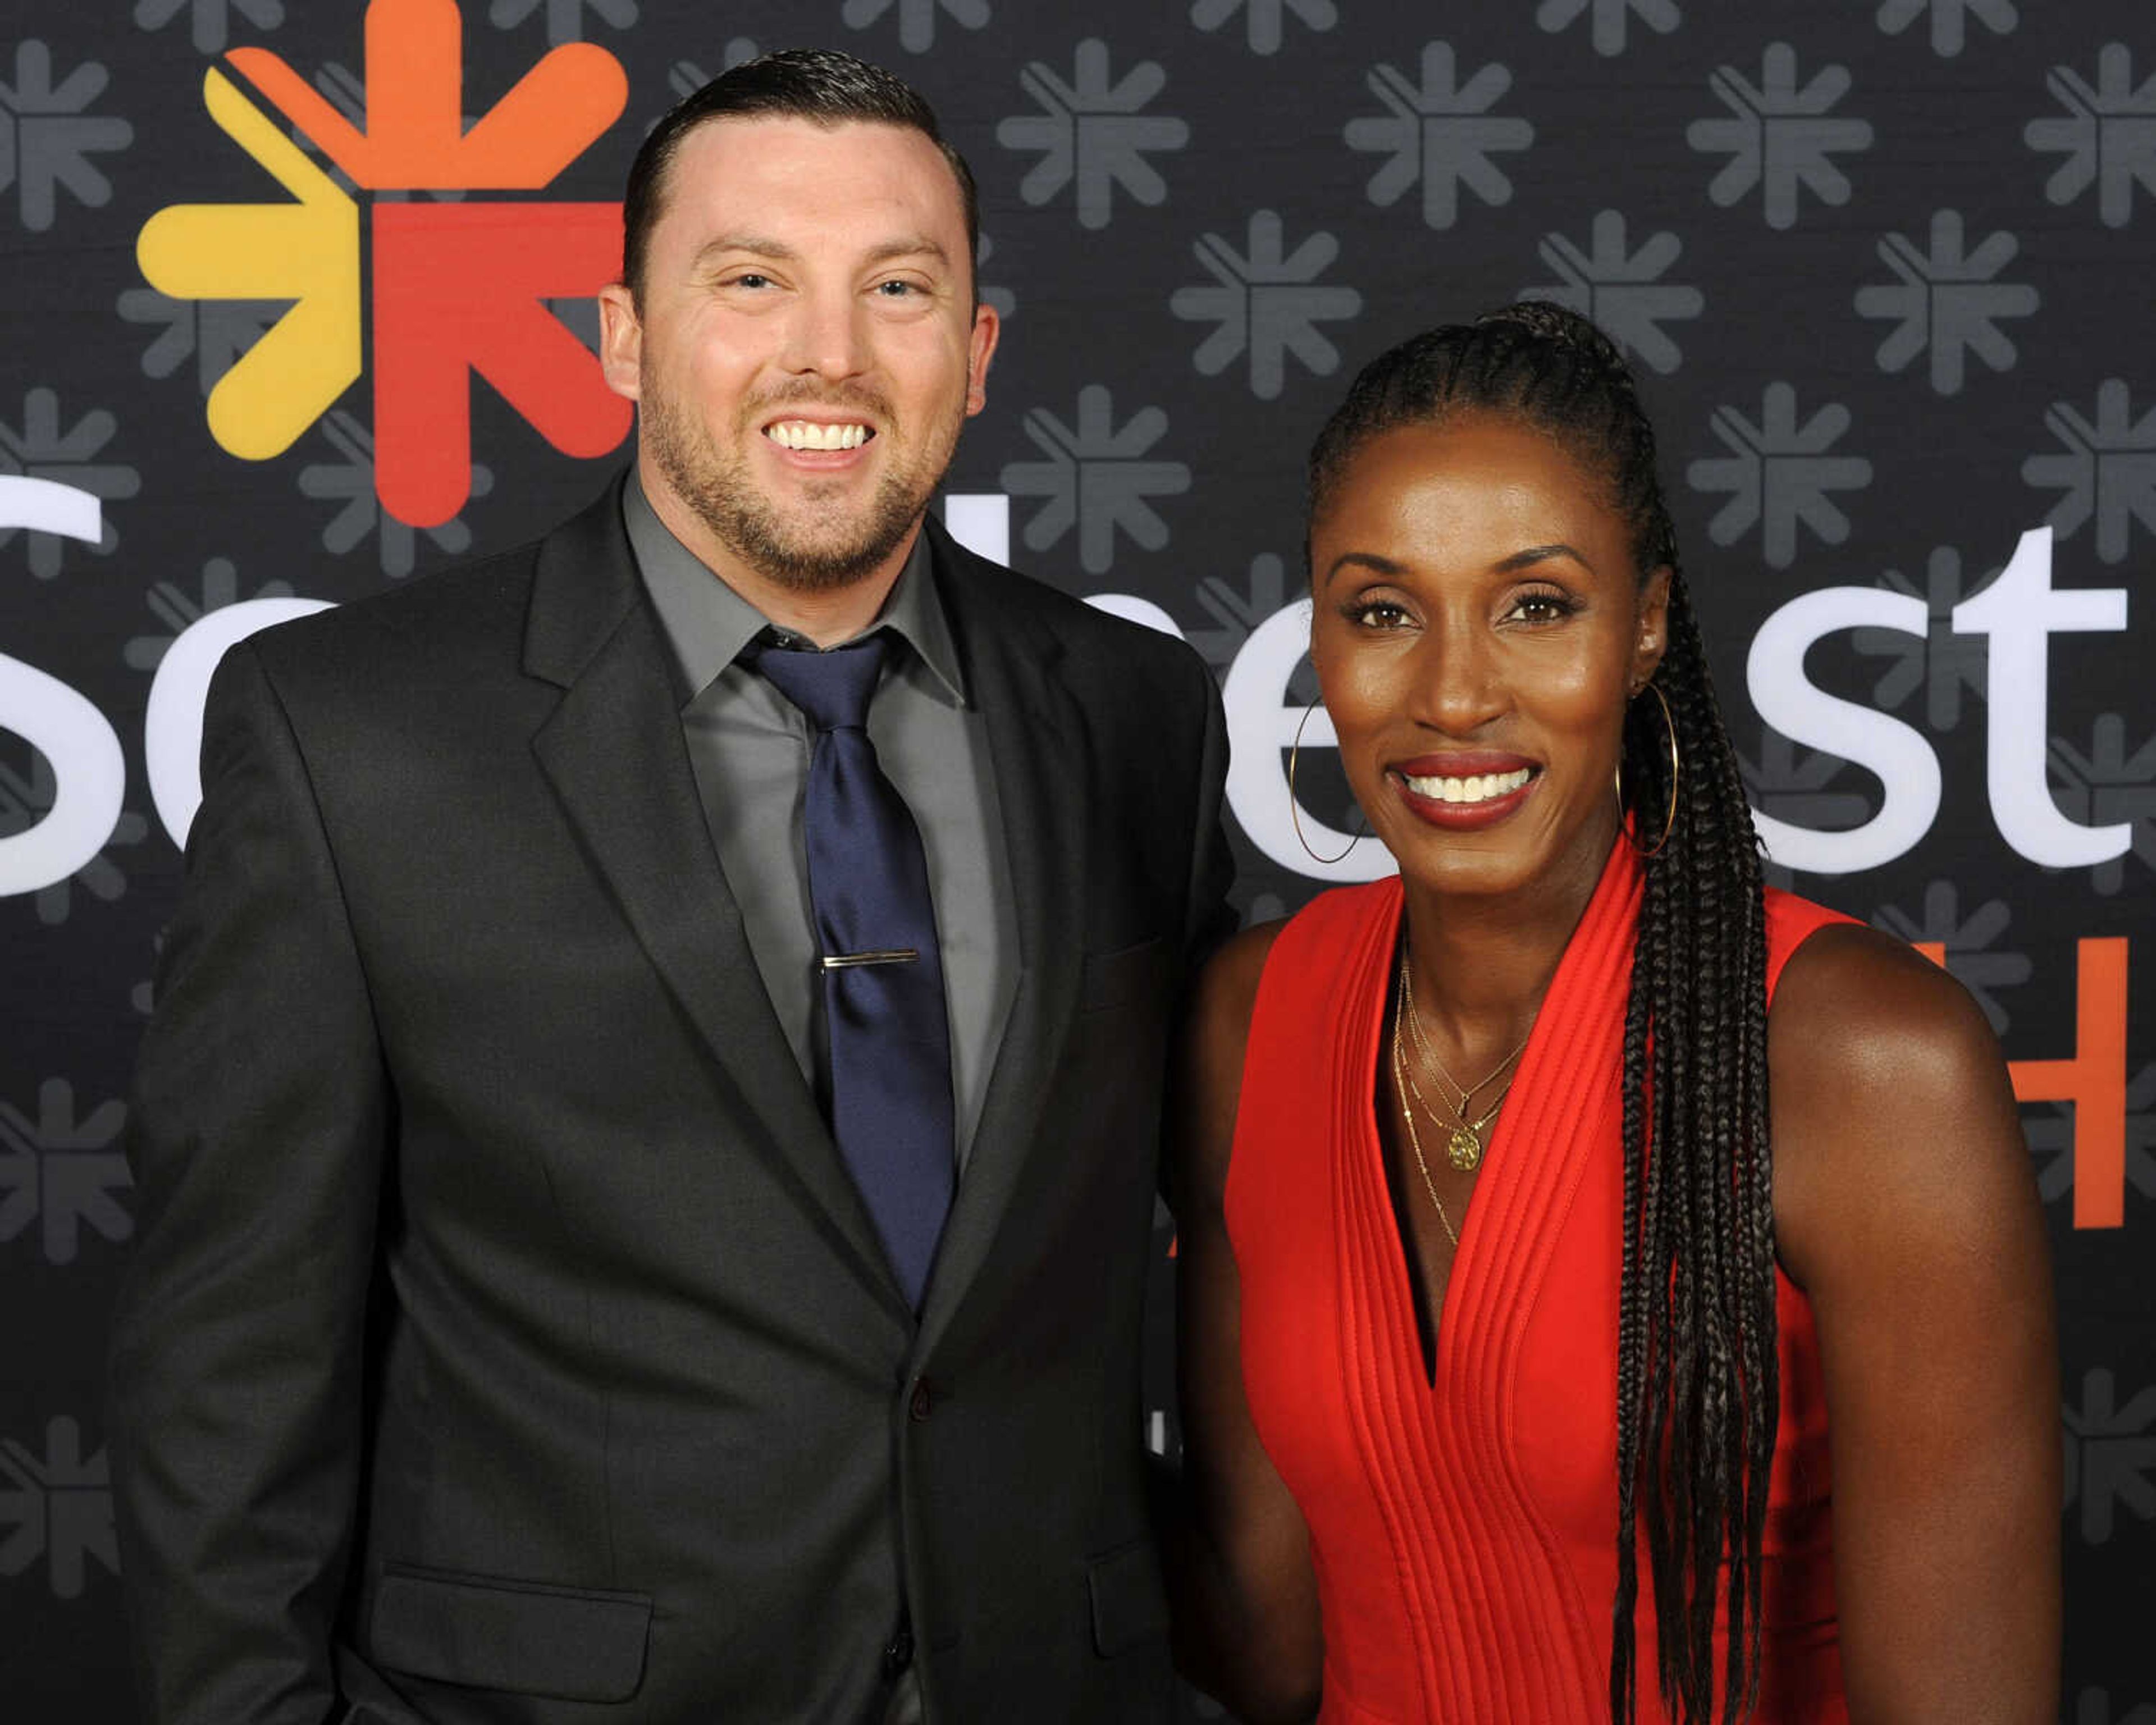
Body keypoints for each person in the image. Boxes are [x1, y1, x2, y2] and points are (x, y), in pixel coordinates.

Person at [109, 49, 1231, 1725]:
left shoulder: (1136, 719)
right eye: (751, 279)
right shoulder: (347, 737)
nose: (829, 354)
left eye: (900, 288)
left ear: (980, 353)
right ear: (624, 335)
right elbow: (227, 1388)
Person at [1170, 304, 2058, 1723]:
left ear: (1644, 625)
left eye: (1537, 605)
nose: (1454, 692)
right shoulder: (1249, 1021)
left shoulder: (1863, 1064)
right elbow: (1271, 1649)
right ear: (1317, 642)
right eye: (1382, 611)